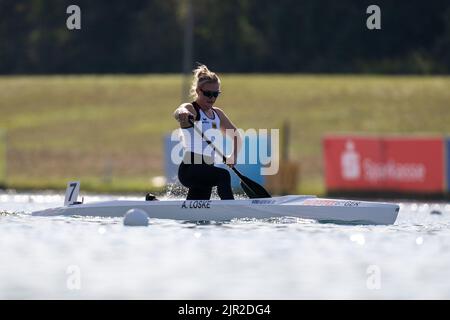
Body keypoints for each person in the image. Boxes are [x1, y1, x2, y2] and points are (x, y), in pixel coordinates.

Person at [173, 64, 241, 200]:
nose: (212, 98)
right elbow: (178, 110)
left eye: (215, 94)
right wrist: (183, 114)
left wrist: (233, 156)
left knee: (198, 210)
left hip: (207, 168)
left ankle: (153, 201)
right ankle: (231, 212)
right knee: (223, 175)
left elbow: (236, 135)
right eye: (208, 93)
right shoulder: (192, 109)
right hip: (190, 168)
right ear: (198, 91)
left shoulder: (217, 114)